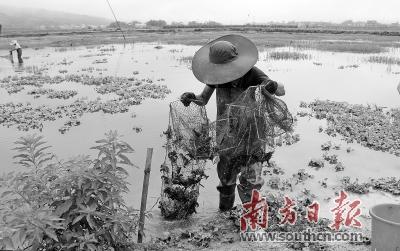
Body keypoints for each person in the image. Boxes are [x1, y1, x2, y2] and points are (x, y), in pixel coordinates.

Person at [180, 34, 286, 211]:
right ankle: (224, 214)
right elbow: (203, 99)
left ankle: (249, 219)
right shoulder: (216, 77)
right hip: (226, 136)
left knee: (251, 181)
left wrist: (272, 86)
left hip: (251, 136)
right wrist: (192, 98)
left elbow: (281, 91)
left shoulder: (253, 73)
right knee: (226, 180)